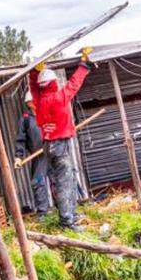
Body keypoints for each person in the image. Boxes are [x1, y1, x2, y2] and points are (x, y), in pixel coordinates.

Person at [28, 47, 95, 231]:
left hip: (49, 144)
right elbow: (74, 83)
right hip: (59, 144)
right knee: (65, 181)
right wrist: (83, 64)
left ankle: (71, 214)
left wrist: (35, 72)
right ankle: (67, 221)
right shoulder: (58, 98)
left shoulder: (40, 100)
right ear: (52, 83)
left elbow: (33, 87)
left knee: (67, 178)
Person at [13, 90, 51, 215]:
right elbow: (20, 139)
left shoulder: (48, 113)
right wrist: (18, 157)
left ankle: (65, 209)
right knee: (38, 182)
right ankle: (42, 213)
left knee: (60, 179)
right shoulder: (26, 120)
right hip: (39, 155)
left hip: (55, 150)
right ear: (29, 103)